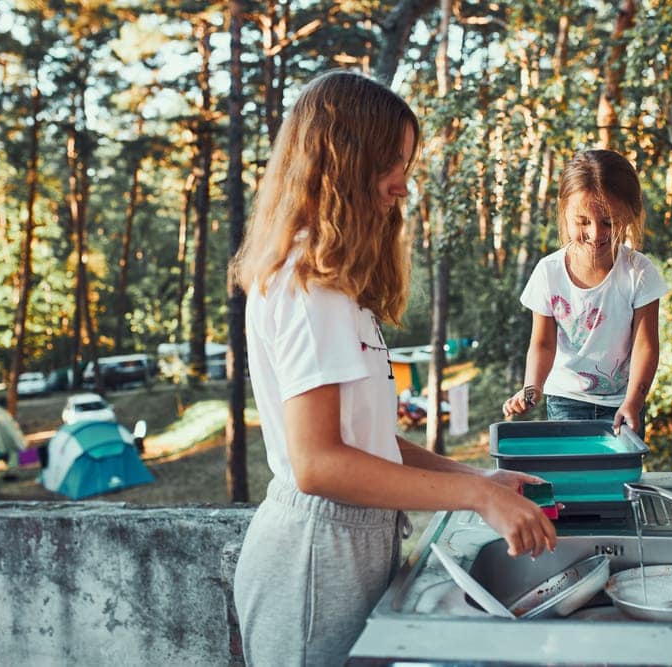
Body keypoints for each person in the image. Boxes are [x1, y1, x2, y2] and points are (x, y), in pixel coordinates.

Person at [230, 70, 557, 666]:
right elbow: (319, 463)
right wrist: (473, 497)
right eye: (392, 163)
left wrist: (478, 480)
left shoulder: (334, 286)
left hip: (345, 548)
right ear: (344, 160)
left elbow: (370, 445)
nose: (403, 187)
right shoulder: (310, 286)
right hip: (313, 563)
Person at [502, 149, 668, 435]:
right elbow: (542, 344)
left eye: (608, 222)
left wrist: (633, 401)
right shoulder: (548, 272)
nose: (595, 234)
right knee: (573, 471)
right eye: (583, 222)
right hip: (566, 400)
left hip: (622, 401)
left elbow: (646, 346)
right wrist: (532, 389)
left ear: (628, 215)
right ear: (564, 211)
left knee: (619, 474)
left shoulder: (639, 272)